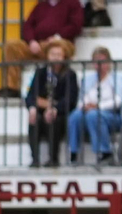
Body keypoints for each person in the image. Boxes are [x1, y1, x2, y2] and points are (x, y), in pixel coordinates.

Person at [1, 0, 82, 96]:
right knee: (12, 46)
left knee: (55, 45)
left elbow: (76, 25)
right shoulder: (41, 6)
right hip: (39, 45)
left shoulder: (73, 3)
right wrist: (31, 41)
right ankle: (12, 88)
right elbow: (28, 25)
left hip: (61, 42)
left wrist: (57, 37)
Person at [69, 46, 122, 164]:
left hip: (112, 115)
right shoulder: (88, 80)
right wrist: (84, 106)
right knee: (75, 116)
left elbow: (119, 100)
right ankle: (73, 152)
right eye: (96, 62)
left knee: (94, 115)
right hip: (90, 111)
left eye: (102, 61)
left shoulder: (117, 79)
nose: (99, 65)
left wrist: (98, 106)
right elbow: (81, 98)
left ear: (109, 62)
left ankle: (105, 152)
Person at [27, 40, 78, 168]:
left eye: (58, 54)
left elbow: (70, 99)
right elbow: (32, 95)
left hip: (59, 113)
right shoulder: (41, 73)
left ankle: (53, 158)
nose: (55, 57)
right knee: (35, 119)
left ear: (64, 56)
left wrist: (54, 108)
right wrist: (32, 107)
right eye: (52, 54)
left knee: (54, 120)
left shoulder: (70, 75)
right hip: (40, 111)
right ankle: (35, 159)